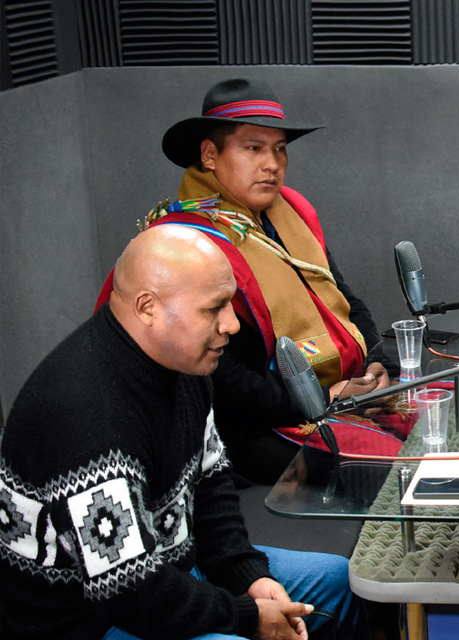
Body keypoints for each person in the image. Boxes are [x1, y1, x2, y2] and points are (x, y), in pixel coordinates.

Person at [0, 225, 366, 639]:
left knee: (337, 583)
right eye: (214, 309)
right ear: (147, 307)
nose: (231, 324)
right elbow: (130, 591)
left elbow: (210, 486)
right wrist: (247, 616)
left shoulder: (185, 365)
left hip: (171, 575)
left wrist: (246, 575)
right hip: (94, 620)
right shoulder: (83, 414)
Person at [96, 78, 392, 484]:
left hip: (338, 391)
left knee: (441, 411)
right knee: (393, 467)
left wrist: (378, 363)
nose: (272, 163)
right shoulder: (187, 242)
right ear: (210, 154)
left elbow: (342, 298)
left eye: (280, 149)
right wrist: (323, 400)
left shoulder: (291, 213)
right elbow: (219, 377)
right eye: (253, 148)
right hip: (250, 426)